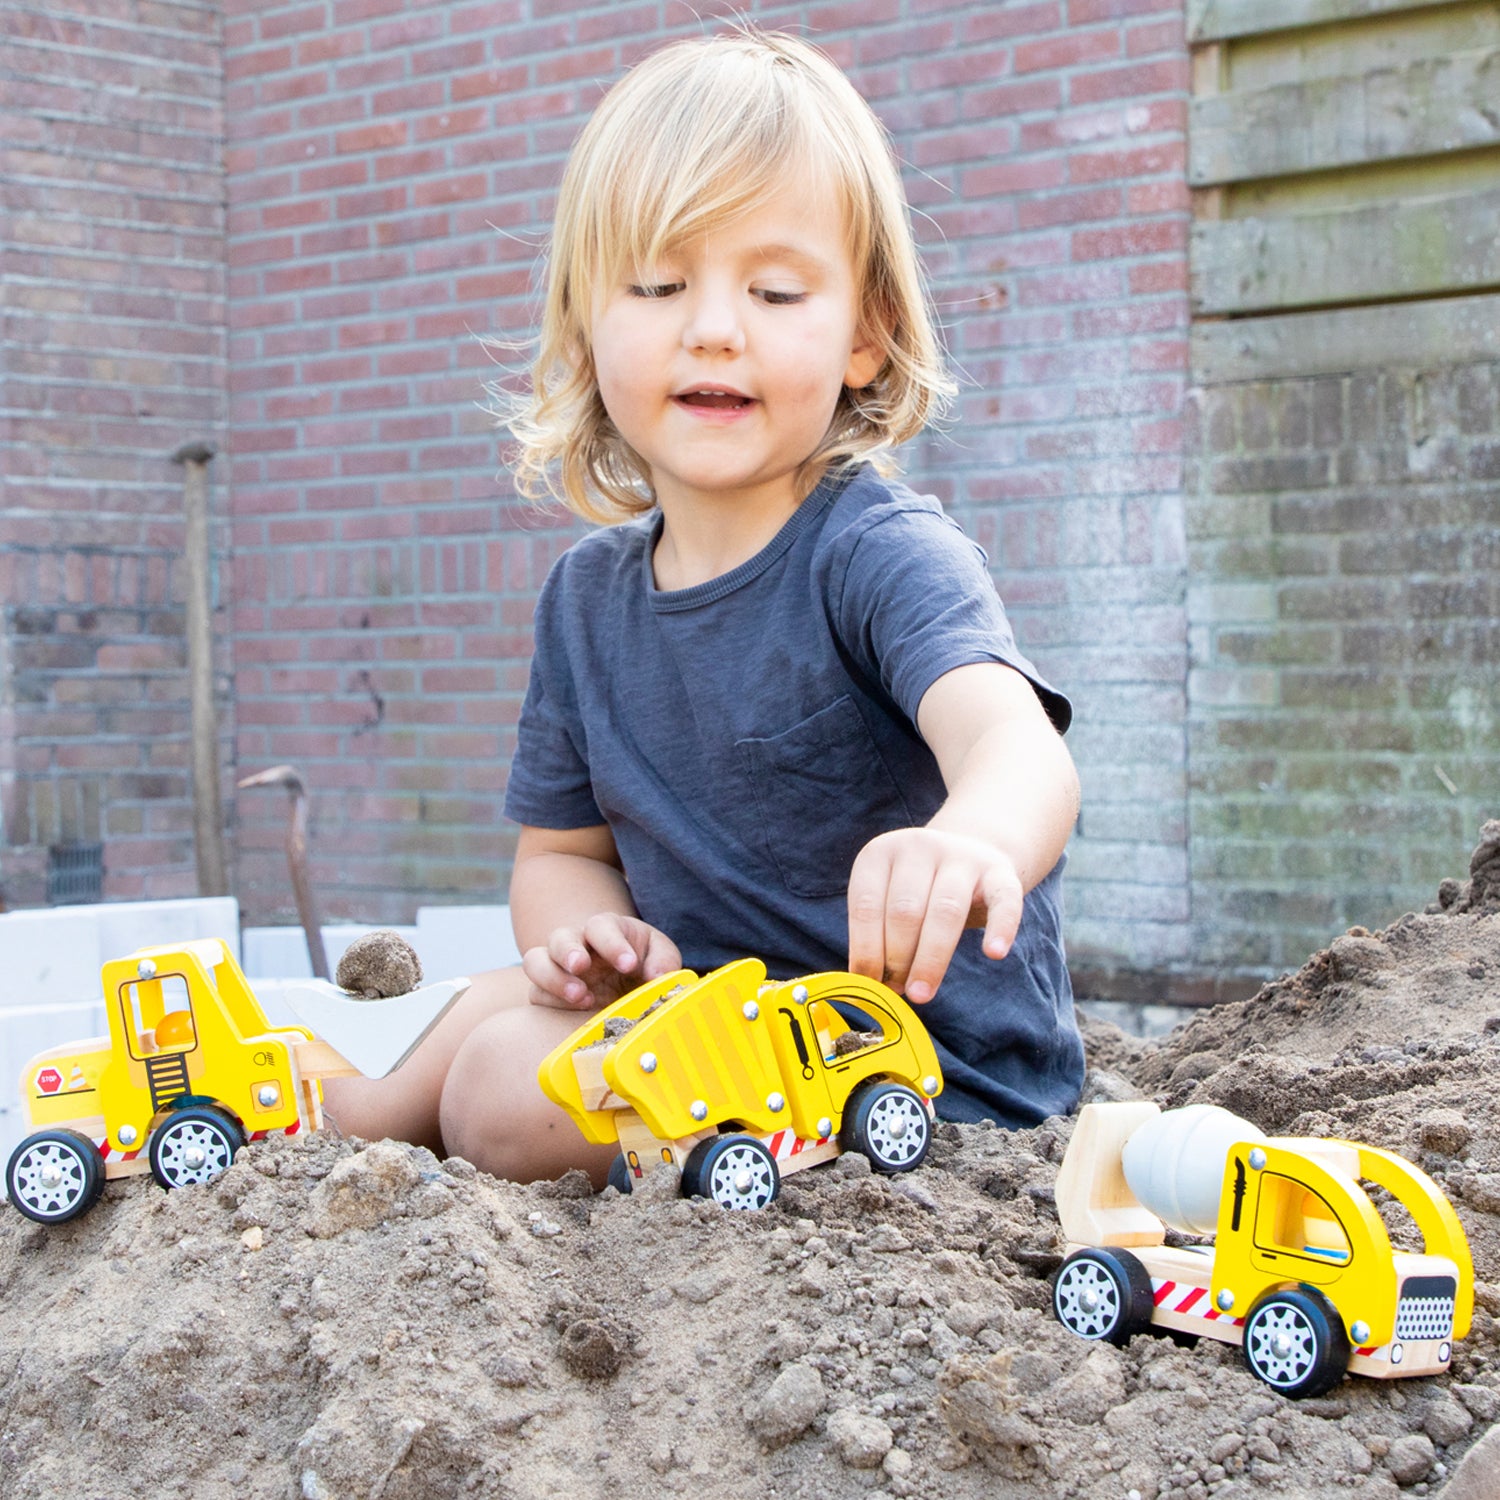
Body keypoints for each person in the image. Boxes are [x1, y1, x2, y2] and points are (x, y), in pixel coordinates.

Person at [323, 27, 1084, 1184]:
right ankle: (323, 1123)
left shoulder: (878, 553)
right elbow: (560, 854)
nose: (715, 326)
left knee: (496, 1086)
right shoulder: (586, 601)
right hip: (702, 1015)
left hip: (902, 1067)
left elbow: (1018, 749)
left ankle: (428, 1119)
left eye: (774, 290)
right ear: (585, 324)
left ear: (866, 335)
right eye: (659, 285)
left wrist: (970, 841)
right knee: (469, 1010)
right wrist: (586, 939)